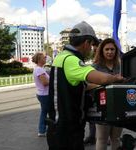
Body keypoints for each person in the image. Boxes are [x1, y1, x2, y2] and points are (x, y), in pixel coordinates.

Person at [46, 21, 125, 150]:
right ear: (86, 42)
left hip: (59, 125)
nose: (92, 48)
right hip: (67, 129)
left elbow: (80, 85)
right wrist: (116, 78)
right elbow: (102, 78)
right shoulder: (71, 60)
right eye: (92, 44)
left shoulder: (61, 56)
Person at [93, 38, 123, 150]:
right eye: (107, 49)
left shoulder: (121, 66)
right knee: (102, 139)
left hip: (119, 106)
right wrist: (103, 85)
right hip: (102, 106)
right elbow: (87, 84)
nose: (109, 52)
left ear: (116, 51)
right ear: (102, 51)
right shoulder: (95, 67)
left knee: (116, 138)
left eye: (112, 49)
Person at [83, 38, 102, 145]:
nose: (95, 53)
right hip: (93, 96)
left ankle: (102, 137)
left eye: (97, 51)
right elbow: (86, 84)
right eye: (94, 51)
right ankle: (92, 136)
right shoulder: (93, 66)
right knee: (92, 117)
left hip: (103, 97)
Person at [32, 52, 49, 137]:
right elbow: (45, 82)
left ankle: (42, 130)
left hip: (42, 94)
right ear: (39, 60)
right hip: (45, 95)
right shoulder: (39, 69)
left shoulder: (39, 69)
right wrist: (54, 81)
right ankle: (43, 130)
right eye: (43, 58)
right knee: (48, 112)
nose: (45, 59)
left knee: (44, 112)